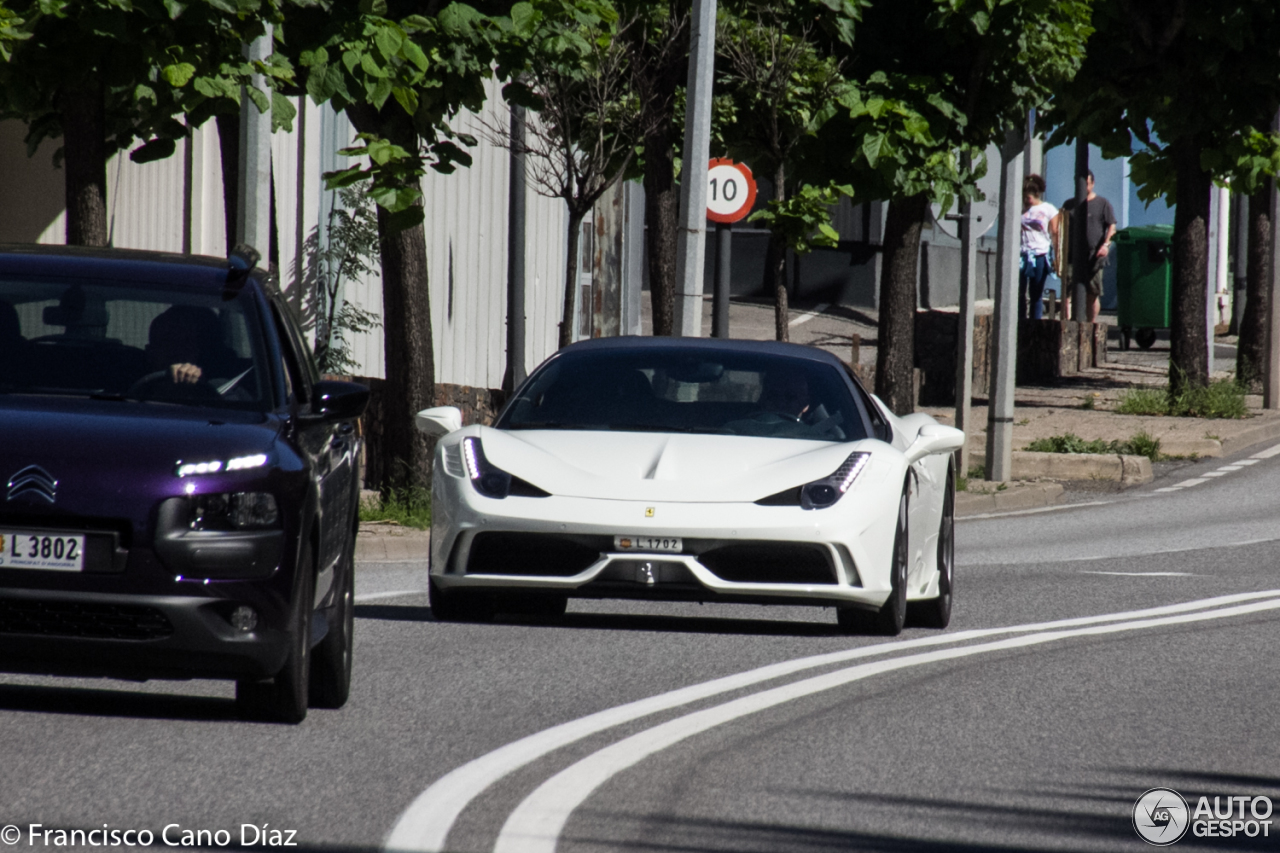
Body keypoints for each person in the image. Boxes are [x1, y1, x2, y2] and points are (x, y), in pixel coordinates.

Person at [1059, 170, 1117, 323]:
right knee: (1067, 293)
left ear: (1093, 184)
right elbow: (1060, 227)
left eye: (1087, 184)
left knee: (1092, 294)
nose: (1084, 188)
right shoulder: (1069, 204)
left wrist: (1106, 245)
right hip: (1071, 256)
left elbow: (1111, 227)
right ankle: (1068, 325)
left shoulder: (1102, 203)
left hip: (1093, 257)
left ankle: (1090, 326)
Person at [1020, 174, 1058, 320]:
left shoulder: (1048, 209)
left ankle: (1035, 324)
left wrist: (1056, 256)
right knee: (1020, 292)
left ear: (1037, 194)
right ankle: (1021, 323)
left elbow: (1055, 232)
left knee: (1036, 292)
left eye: (1029, 196)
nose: (1027, 200)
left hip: (1040, 253)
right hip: (1023, 253)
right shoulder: (1023, 210)